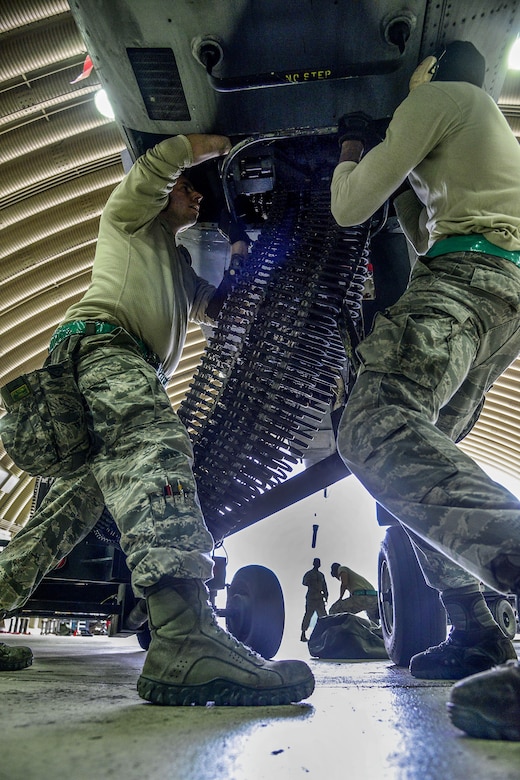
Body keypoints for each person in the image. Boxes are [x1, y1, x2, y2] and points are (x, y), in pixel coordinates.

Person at [0, 133, 314, 706]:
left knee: (65, 516)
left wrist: (244, 263)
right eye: (190, 190)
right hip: (106, 353)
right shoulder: (127, 219)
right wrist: (215, 144)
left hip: (106, 365)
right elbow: (158, 163)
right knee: (159, 452)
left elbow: (213, 308)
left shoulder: (174, 258)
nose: (197, 200)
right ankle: (183, 639)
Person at [330, 39, 520, 739]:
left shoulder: (440, 99)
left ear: (430, 73)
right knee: (423, 461)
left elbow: (350, 208)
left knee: (374, 424)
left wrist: (353, 149)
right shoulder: (489, 130)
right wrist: (405, 185)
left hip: (464, 280)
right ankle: (477, 630)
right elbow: (419, 230)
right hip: (502, 293)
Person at [300, 558, 328, 641]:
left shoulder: (321, 575)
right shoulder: (309, 574)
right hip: (311, 597)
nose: (317, 564)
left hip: (319, 598)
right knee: (308, 615)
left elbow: (324, 586)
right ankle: (303, 634)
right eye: (316, 563)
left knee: (323, 616)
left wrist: (326, 595)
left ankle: (325, 634)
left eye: (319, 563)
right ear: (313, 563)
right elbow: (304, 582)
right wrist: (312, 584)